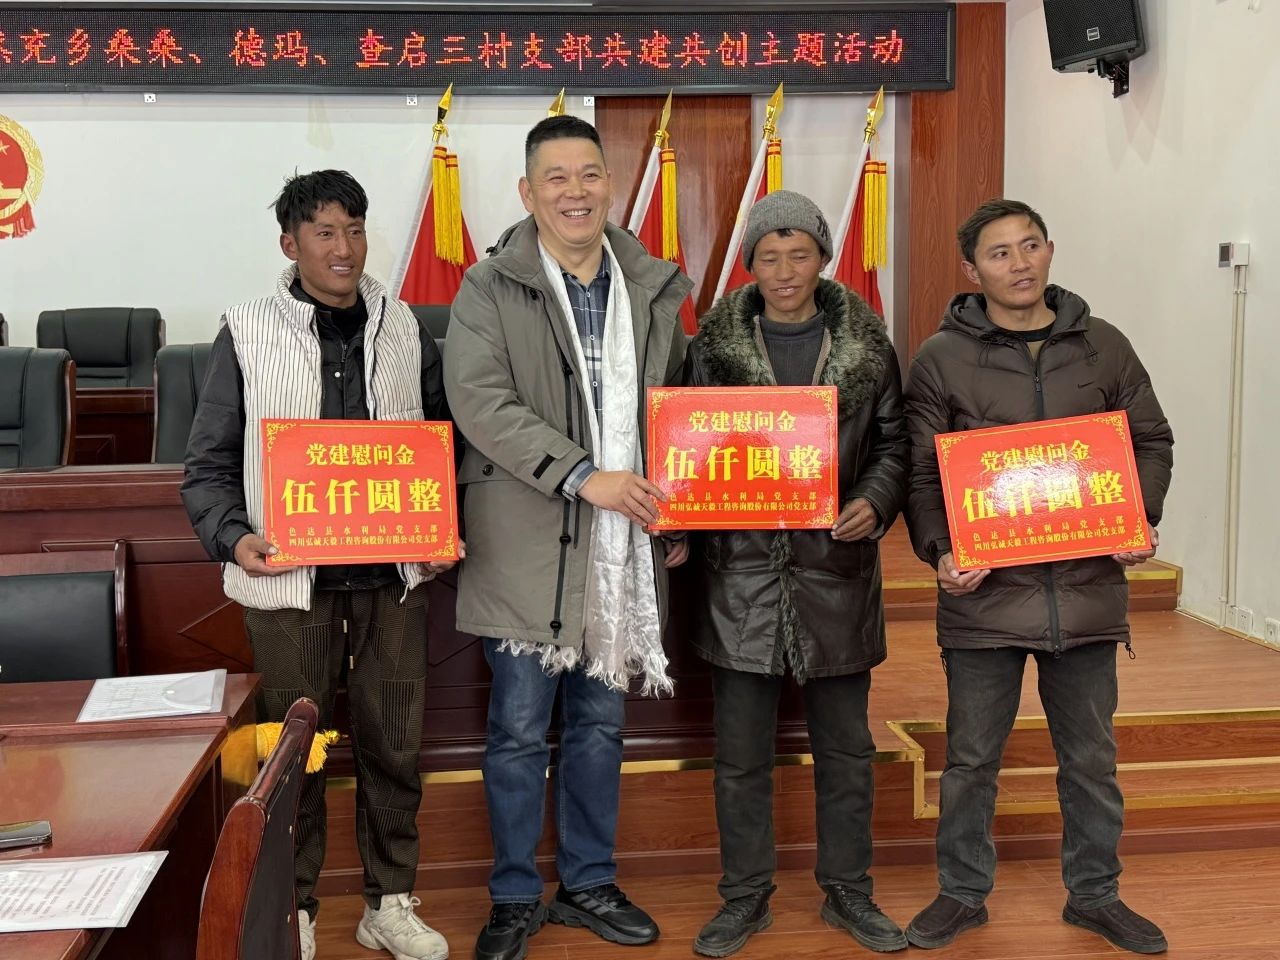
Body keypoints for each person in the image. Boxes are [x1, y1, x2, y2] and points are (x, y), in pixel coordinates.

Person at [182, 169, 454, 960]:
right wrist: (234, 537)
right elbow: (207, 465)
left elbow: (442, 444)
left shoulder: (404, 326)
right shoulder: (247, 330)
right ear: (290, 243)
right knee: (292, 755)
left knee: (393, 745)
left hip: (392, 580)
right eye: (326, 232)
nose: (345, 248)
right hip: (287, 583)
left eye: (356, 230)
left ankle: (389, 903)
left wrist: (442, 526)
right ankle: (291, 910)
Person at [443, 114, 692, 960]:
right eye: (555, 177)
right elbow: (481, 403)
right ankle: (514, 896)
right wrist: (587, 476)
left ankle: (588, 882)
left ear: (609, 185)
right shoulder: (489, 288)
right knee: (517, 731)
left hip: (623, 548)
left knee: (599, 726)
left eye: (589, 174)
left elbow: (675, 410)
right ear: (527, 191)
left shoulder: (652, 286)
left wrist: (675, 507)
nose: (574, 192)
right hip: (528, 544)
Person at [902, 199, 1174, 954]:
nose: (1019, 264)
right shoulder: (940, 359)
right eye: (1000, 253)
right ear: (972, 270)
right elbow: (923, 474)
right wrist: (940, 549)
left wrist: (1137, 514)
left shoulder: (1103, 346)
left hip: (1084, 595)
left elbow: (1150, 439)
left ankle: (1096, 895)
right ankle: (962, 894)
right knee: (970, 762)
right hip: (985, 600)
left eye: (1030, 246)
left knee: (1091, 762)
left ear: (1050, 250)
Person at [683, 190, 910, 957]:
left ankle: (850, 891)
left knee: (846, 749)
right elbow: (686, 447)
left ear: (823, 260)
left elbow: (894, 445)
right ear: (750, 264)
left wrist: (874, 501)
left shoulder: (868, 348)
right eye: (769, 257)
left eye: (800, 254)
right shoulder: (711, 350)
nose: (785, 271)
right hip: (740, 577)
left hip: (834, 571)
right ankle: (744, 897)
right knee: (740, 757)